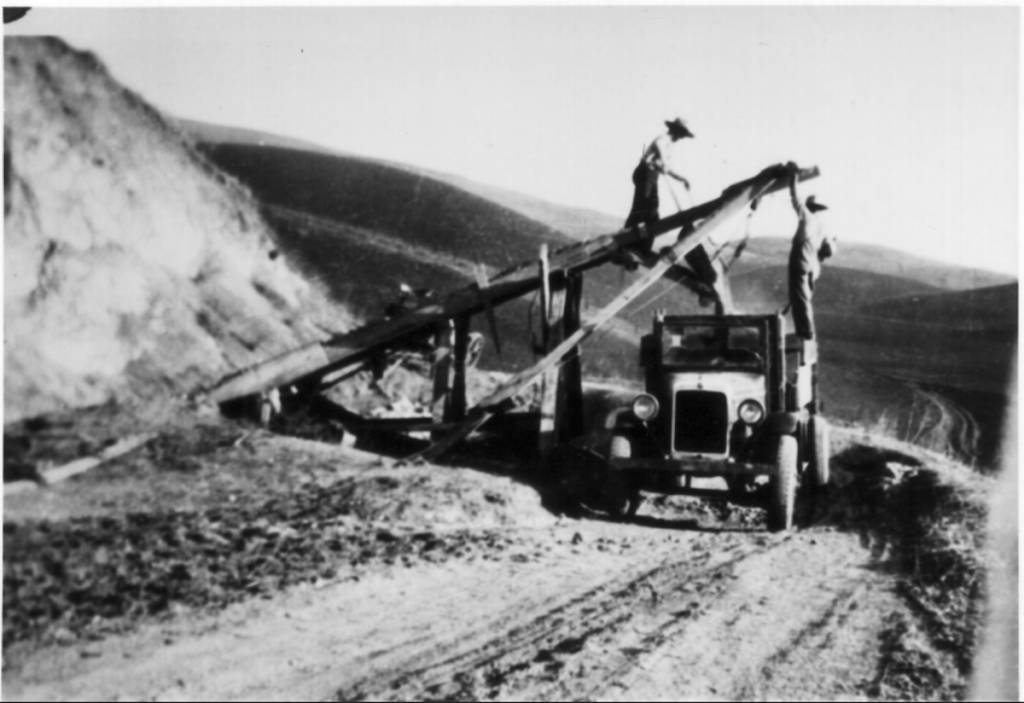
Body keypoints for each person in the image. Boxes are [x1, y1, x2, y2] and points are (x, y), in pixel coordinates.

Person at [786, 163, 835, 341]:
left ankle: (806, 333)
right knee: (804, 298)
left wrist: (793, 177)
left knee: (799, 300)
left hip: (800, 262)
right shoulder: (822, 226)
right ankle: (806, 332)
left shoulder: (806, 216)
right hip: (813, 268)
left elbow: (795, 198)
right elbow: (829, 250)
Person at [623, 117, 694, 230]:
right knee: (642, 207)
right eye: (681, 134)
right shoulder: (663, 139)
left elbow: (667, 166)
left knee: (652, 210)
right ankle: (625, 237)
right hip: (645, 172)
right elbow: (659, 146)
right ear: (675, 131)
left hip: (652, 175)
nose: (681, 138)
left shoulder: (669, 145)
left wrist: (682, 179)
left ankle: (641, 242)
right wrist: (663, 162)